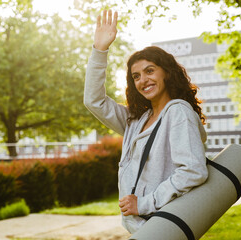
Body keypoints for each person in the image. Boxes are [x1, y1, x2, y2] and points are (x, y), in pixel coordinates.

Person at [83, 9, 208, 234]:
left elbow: (193, 170)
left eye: (150, 71)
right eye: (136, 76)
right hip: (141, 227)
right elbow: (94, 101)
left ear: (166, 73)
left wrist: (144, 203)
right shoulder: (137, 121)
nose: (143, 80)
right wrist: (100, 50)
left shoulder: (178, 113)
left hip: (163, 226)